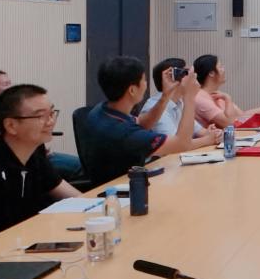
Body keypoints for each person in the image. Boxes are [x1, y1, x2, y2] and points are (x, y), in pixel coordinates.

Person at [0, 85, 81, 248]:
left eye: (52, 113)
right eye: (40, 116)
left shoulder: (33, 158)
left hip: (27, 245)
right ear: (11, 125)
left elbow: (78, 199)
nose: (51, 122)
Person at [81, 56, 223, 185]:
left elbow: (142, 123)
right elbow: (181, 144)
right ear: (132, 90)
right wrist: (189, 97)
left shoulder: (102, 110)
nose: (146, 84)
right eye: (143, 80)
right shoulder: (126, 133)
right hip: (124, 189)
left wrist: (165, 95)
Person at [190, 55, 260, 129]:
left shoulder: (217, 94)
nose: (224, 70)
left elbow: (241, 116)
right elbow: (230, 123)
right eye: (220, 67)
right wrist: (228, 99)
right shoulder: (200, 98)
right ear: (211, 73)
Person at [138, 58, 206, 138]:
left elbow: (199, 131)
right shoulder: (154, 106)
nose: (193, 76)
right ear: (172, 77)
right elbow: (177, 143)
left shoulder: (179, 102)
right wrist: (208, 139)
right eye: (186, 72)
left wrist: (214, 134)